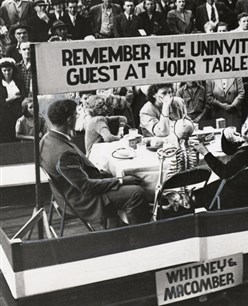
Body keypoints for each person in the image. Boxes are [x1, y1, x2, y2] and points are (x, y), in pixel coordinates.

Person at [40, 99, 149, 227]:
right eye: (76, 114)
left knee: (110, 174)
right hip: (82, 201)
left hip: (66, 194)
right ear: (69, 120)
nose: (77, 117)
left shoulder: (46, 139)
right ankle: (138, 236)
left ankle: (113, 225)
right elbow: (87, 187)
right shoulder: (64, 154)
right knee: (137, 192)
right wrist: (121, 180)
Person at [192, 113, 248, 209]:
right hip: (246, 192)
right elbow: (228, 150)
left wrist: (205, 153)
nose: (244, 132)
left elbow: (224, 172)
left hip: (230, 195)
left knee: (195, 192)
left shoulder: (244, 153)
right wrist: (224, 133)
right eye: (245, 126)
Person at [1, 57, 25, 143]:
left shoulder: (18, 82)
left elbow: (24, 96)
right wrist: (12, 98)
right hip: (4, 116)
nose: (7, 73)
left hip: (18, 113)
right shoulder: (1, 84)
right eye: (4, 70)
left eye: (9, 70)